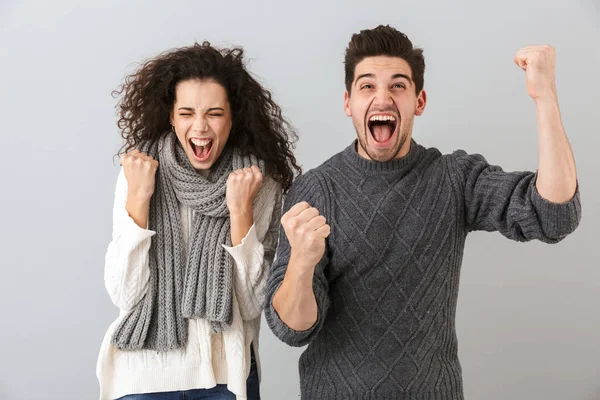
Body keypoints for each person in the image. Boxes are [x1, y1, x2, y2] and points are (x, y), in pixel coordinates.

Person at [265, 25, 581, 399]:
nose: (382, 98)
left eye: (398, 85)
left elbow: (553, 214)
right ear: (348, 102)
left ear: (419, 101)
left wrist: (544, 96)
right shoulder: (316, 190)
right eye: (368, 86)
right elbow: (293, 329)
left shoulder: (453, 178)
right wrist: (301, 263)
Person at [96, 41, 301, 400]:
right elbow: (124, 293)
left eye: (215, 113)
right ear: (171, 117)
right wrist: (139, 201)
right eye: (187, 112)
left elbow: (254, 304)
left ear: (233, 117)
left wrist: (241, 213)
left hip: (225, 378)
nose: (200, 127)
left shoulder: (258, 182)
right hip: (143, 378)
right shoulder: (139, 174)